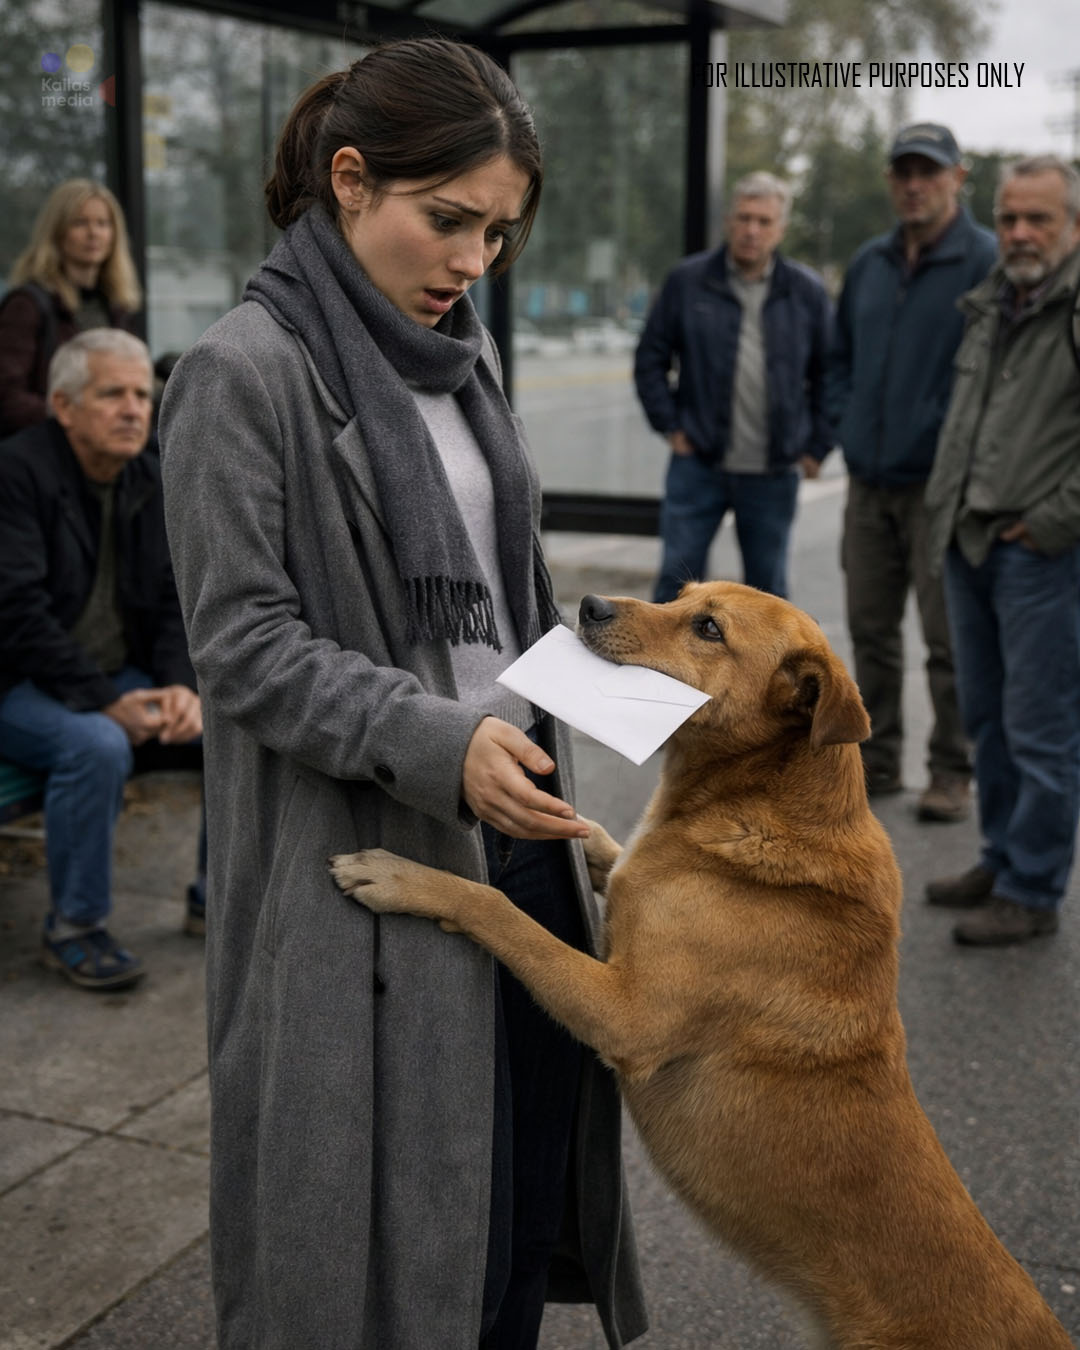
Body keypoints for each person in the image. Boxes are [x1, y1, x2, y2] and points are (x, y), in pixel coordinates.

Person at [158, 37, 646, 1350]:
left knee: (511, 1218)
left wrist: (634, 681)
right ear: (351, 179)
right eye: (449, 222)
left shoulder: (463, 359)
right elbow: (244, 643)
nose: (473, 262)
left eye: (497, 231)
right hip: (365, 858)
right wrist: (440, 738)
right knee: (393, 1253)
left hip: (521, 837)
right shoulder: (239, 374)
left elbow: (500, 594)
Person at [0, 330, 205, 989]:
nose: (134, 409)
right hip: (22, 685)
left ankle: (216, 896)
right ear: (63, 406)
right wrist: (105, 700)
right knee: (96, 747)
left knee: (229, 725)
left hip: (117, 679)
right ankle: (75, 928)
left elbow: (175, 601)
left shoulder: (149, 473)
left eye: (142, 394)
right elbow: (15, 613)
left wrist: (178, 687)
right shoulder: (17, 473)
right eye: (112, 394)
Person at [923, 155, 1080, 946]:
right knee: (986, 717)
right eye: (1011, 217)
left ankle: (1032, 887)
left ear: (1072, 225)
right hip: (971, 540)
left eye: (1039, 219)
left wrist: (1053, 521)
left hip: (1042, 553)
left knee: (1041, 728)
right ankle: (1001, 856)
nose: (1019, 233)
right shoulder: (991, 302)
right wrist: (942, 520)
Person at [829, 123, 997, 820]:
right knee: (870, 631)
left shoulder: (984, 260)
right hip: (868, 484)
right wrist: (844, 419)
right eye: (903, 172)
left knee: (947, 638)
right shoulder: (869, 263)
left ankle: (953, 770)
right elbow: (839, 358)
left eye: (929, 171)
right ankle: (880, 757)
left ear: (959, 178)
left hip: (940, 490)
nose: (914, 184)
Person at [634, 171, 832, 603]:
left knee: (769, 597)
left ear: (780, 228)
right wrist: (671, 426)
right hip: (699, 464)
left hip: (773, 472)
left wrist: (816, 446)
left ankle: (761, 675)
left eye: (764, 221)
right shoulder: (688, 281)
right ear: (728, 220)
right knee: (675, 585)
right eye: (744, 218)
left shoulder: (807, 292)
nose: (751, 230)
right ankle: (661, 674)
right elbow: (650, 358)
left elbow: (830, 374)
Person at [0, 180, 142, 437]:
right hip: (46, 450)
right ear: (56, 232)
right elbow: (7, 397)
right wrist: (79, 418)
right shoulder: (27, 305)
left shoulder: (117, 306)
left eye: (102, 223)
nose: (93, 233)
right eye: (80, 223)